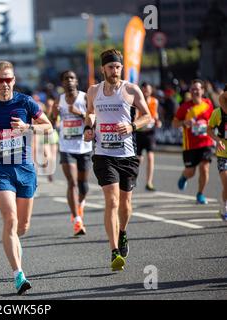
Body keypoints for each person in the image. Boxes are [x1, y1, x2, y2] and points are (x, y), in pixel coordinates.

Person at [0, 61, 52, 294]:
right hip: (0, 170)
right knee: (10, 220)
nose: (5, 84)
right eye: (1, 79)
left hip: (25, 168)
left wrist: (27, 127)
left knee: (22, 226)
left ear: (14, 80)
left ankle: (14, 244)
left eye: (9, 79)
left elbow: (49, 127)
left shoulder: (25, 102)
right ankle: (18, 274)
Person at [84, 49, 151, 272]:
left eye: (118, 67)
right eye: (111, 67)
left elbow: (148, 115)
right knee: (111, 202)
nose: (115, 71)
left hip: (127, 155)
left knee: (125, 204)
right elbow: (90, 112)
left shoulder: (131, 89)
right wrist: (88, 127)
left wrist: (132, 126)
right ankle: (114, 251)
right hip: (104, 155)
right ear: (103, 68)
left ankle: (122, 232)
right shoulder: (94, 91)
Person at [52, 70, 93, 236]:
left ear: (76, 81)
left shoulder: (84, 98)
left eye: (72, 78)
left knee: (84, 186)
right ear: (62, 83)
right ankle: (77, 219)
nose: (69, 81)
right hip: (66, 146)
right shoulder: (59, 100)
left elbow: (92, 119)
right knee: (72, 183)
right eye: (66, 79)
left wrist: (80, 113)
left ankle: (80, 204)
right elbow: (52, 121)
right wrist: (53, 114)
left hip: (84, 147)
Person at [173, 79, 214, 204]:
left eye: (197, 89)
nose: (195, 91)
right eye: (193, 89)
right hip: (190, 145)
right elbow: (174, 123)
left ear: (202, 90)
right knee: (191, 172)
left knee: (204, 167)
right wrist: (184, 123)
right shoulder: (185, 107)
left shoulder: (208, 104)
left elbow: (213, 120)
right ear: (190, 91)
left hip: (206, 142)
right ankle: (184, 176)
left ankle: (200, 194)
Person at [136, 82, 162, 191]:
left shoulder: (154, 101)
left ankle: (149, 182)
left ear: (151, 91)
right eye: (144, 90)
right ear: (141, 91)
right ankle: (133, 178)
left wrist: (157, 121)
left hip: (150, 132)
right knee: (138, 159)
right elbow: (135, 116)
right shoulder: (137, 101)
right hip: (139, 132)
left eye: (148, 89)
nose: (146, 91)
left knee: (150, 156)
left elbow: (155, 115)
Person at [207, 84, 227, 221]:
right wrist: (217, 140)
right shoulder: (217, 113)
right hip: (222, 153)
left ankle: (224, 206)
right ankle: (224, 207)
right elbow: (209, 130)